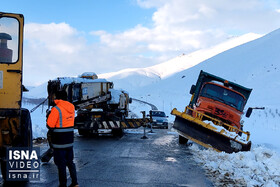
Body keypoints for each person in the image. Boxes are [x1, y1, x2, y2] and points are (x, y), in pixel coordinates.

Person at [47, 90, 79, 187]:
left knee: (61, 164)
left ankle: (63, 184)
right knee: (70, 162)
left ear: (58, 98)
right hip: (69, 140)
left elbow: (50, 125)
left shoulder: (56, 109)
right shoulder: (71, 107)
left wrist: (49, 115)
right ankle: (75, 183)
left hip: (59, 141)